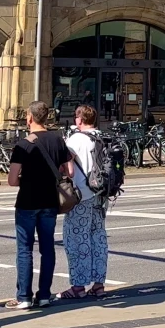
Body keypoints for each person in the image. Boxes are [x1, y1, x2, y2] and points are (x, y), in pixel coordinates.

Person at [7, 101, 71, 310]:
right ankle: (44, 295)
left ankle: (24, 297)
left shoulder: (23, 145)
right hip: (50, 202)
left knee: (24, 250)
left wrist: (25, 180)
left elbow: (12, 179)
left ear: (29, 118)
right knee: (47, 249)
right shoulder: (58, 140)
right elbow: (68, 171)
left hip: (27, 201)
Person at [61, 105, 110, 299]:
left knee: (76, 239)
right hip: (101, 195)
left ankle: (78, 286)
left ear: (80, 119)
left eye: (76, 117)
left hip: (80, 196)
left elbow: (66, 166)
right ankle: (99, 284)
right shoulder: (102, 137)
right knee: (98, 238)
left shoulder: (76, 139)